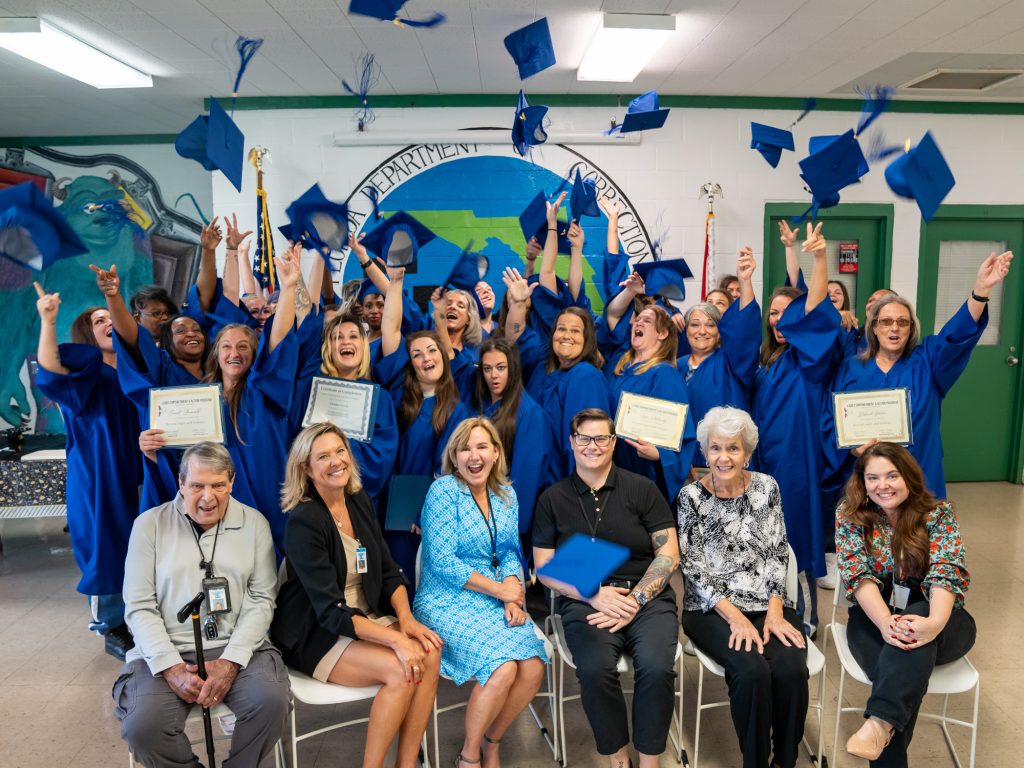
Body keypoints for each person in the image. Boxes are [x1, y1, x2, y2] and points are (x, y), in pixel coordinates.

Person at [272, 424, 440, 768]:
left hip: (364, 616)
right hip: (319, 632)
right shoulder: (304, 521)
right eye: (323, 456)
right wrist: (396, 643)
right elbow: (331, 612)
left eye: (340, 451)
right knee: (400, 669)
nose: (336, 461)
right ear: (306, 468)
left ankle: (407, 763)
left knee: (430, 652)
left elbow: (389, 569)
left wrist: (406, 623)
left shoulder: (358, 500)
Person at [115, 442, 288, 767]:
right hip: (165, 652)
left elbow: (262, 599)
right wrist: (170, 665)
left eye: (218, 485)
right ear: (181, 483)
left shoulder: (254, 523)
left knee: (271, 703)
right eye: (197, 486)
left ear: (231, 483)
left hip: (238, 648)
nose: (208, 497)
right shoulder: (149, 525)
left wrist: (232, 660)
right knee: (143, 726)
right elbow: (139, 606)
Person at [534, 408, 680, 768]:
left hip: (647, 596)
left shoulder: (642, 488)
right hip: (585, 598)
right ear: (572, 443)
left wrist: (636, 600)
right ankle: (618, 757)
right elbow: (544, 568)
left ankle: (649, 761)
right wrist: (593, 594)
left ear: (613, 443)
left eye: (601, 438)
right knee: (597, 669)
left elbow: (669, 553)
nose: (592, 446)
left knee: (656, 667)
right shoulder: (552, 499)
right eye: (584, 437)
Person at [824, 249, 1013, 500]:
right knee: (868, 534)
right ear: (874, 327)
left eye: (903, 322)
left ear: (911, 328)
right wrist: (850, 447)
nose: (894, 328)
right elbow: (830, 418)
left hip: (917, 474)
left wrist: (980, 291)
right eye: (886, 322)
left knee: (916, 536)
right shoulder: (851, 367)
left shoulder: (927, 361)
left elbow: (954, 336)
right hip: (865, 477)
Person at [677, 407, 808, 768]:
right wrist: (736, 618)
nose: (723, 458)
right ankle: (755, 761)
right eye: (715, 448)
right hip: (710, 609)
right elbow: (694, 569)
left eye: (733, 448)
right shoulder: (690, 498)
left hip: (767, 601)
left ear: (747, 453)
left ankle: (785, 758)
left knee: (791, 669)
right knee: (751, 671)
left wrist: (776, 610)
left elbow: (777, 552)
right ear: (705, 452)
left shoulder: (767, 488)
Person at [415, 417, 548, 768]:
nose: (474, 456)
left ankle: (493, 740)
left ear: (495, 453)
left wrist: (515, 591)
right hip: (444, 598)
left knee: (533, 666)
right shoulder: (443, 491)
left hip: (493, 594)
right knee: (502, 668)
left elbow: (507, 551)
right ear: (454, 456)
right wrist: (502, 592)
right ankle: (470, 754)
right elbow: (441, 562)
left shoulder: (506, 494)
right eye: (465, 448)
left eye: (482, 447)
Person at [836, 442, 976, 766]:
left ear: (909, 477)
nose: (882, 485)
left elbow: (945, 573)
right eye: (873, 478)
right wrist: (886, 622)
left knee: (903, 653)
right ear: (863, 482)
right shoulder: (849, 515)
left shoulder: (938, 514)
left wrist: (933, 623)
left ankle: (879, 723)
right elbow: (858, 576)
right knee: (902, 676)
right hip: (874, 617)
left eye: (892, 475)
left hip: (943, 616)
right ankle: (882, 722)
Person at [34, 282, 142, 659]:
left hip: (138, 472)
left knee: (140, 544)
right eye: (99, 320)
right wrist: (48, 321)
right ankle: (111, 625)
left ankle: (141, 618)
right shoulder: (86, 375)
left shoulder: (135, 369)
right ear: (87, 333)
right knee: (105, 544)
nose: (109, 321)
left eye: (111, 317)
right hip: (100, 474)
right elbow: (50, 372)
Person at [753, 222, 841, 636]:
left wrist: (816, 258)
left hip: (795, 463)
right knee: (762, 541)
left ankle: (804, 616)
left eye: (788, 315)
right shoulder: (765, 362)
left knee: (795, 540)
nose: (780, 321)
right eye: (773, 314)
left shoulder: (810, 361)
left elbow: (813, 309)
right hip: (762, 462)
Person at [200, 244, 302, 552]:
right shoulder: (201, 400)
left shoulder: (262, 390)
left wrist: (288, 288)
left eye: (244, 346)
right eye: (227, 347)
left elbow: (280, 339)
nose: (235, 353)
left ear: (255, 354)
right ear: (216, 354)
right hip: (215, 506)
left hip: (267, 500)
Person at [375, 266, 471, 588]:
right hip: (390, 502)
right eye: (417, 354)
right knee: (391, 577)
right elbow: (390, 330)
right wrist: (396, 283)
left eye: (432, 350)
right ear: (410, 363)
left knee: (419, 579)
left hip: (426, 510)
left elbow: (448, 470)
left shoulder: (456, 409)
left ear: (444, 356)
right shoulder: (401, 395)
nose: (426, 357)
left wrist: (426, 512)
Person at [90, 263, 209, 510]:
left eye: (195, 329)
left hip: (215, 468)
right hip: (168, 463)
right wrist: (112, 296)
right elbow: (133, 340)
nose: (190, 333)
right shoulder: (160, 366)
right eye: (179, 330)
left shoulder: (218, 372)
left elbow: (208, 295)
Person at [503, 268, 608, 482]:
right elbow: (513, 339)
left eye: (575, 331)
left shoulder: (586, 377)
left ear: (587, 338)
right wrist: (518, 304)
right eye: (561, 329)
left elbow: (584, 445)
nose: (566, 336)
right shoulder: (543, 363)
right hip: (530, 474)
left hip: (561, 483)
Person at [290, 312, 399, 502]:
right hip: (314, 498)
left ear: (363, 346)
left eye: (353, 336)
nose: (345, 342)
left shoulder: (380, 399)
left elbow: (381, 459)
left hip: (357, 500)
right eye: (337, 337)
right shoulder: (312, 391)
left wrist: (332, 444)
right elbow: (296, 442)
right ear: (328, 348)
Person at [605, 283, 696, 501]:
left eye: (647, 320)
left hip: (641, 475)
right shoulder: (620, 366)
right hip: (611, 468)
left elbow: (679, 435)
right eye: (637, 319)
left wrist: (660, 455)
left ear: (663, 333)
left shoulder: (664, 374)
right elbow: (612, 315)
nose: (638, 322)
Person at [681, 247, 761, 468]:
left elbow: (744, 331)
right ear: (686, 330)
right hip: (685, 464)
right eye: (695, 324)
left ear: (720, 332)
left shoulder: (730, 362)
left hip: (727, 461)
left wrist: (745, 281)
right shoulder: (675, 367)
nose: (702, 331)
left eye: (710, 325)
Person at [468, 337, 549, 546]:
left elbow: (525, 478)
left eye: (501, 367)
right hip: (475, 512)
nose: (493, 375)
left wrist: (509, 528)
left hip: (503, 522)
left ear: (512, 369)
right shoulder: (480, 405)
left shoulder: (529, 412)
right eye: (487, 368)